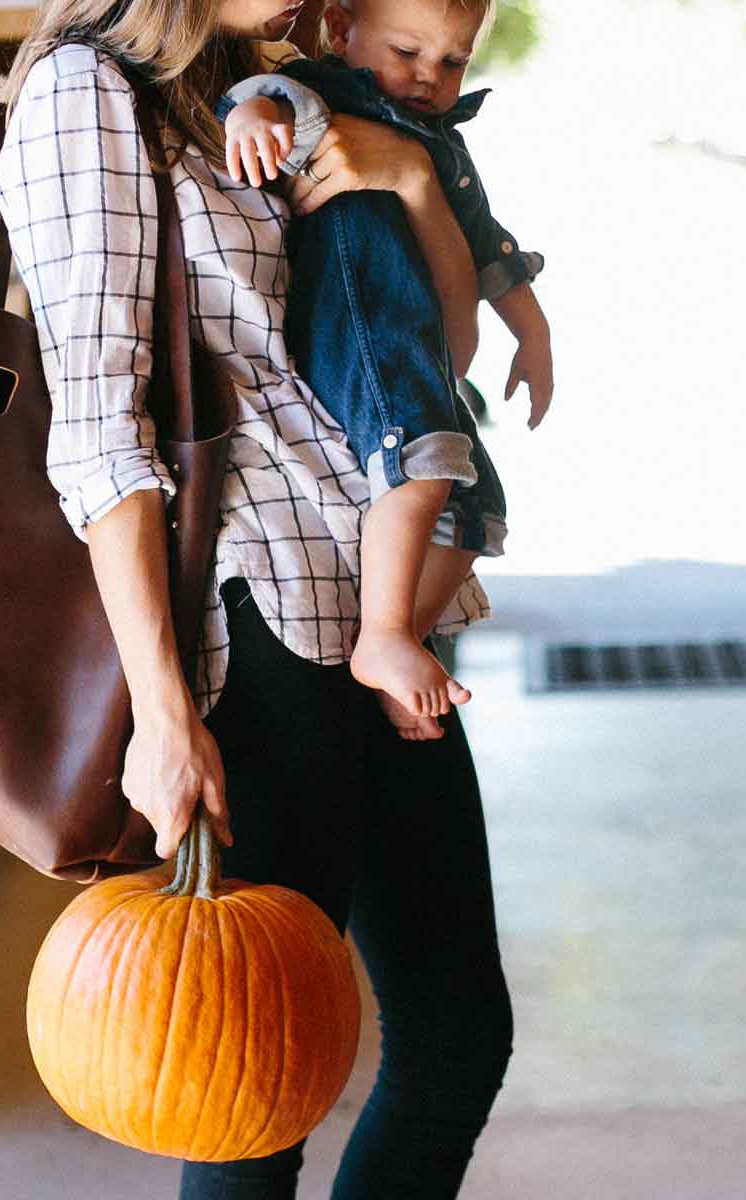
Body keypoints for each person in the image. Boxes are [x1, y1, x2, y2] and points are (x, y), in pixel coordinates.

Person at [0, 0, 552, 1194]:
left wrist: (405, 173)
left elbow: (429, 355)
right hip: (255, 623)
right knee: (249, 1081)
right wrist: (163, 712)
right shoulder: (85, 93)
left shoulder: (279, 82)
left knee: (457, 1037)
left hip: (373, 601)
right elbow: (98, 435)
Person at [218, 0, 551, 738]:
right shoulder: (332, 95)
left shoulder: (443, 148)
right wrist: (250, 120)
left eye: (452, 60)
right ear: (341, 31)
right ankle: (385, 638)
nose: (430, 78)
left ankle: (397, 646)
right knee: (424, 468)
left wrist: (534, 334)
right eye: (407, 51)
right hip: (360, 334)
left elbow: (490, 249)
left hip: (417, 349)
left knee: (474, 511)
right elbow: (266, 97)